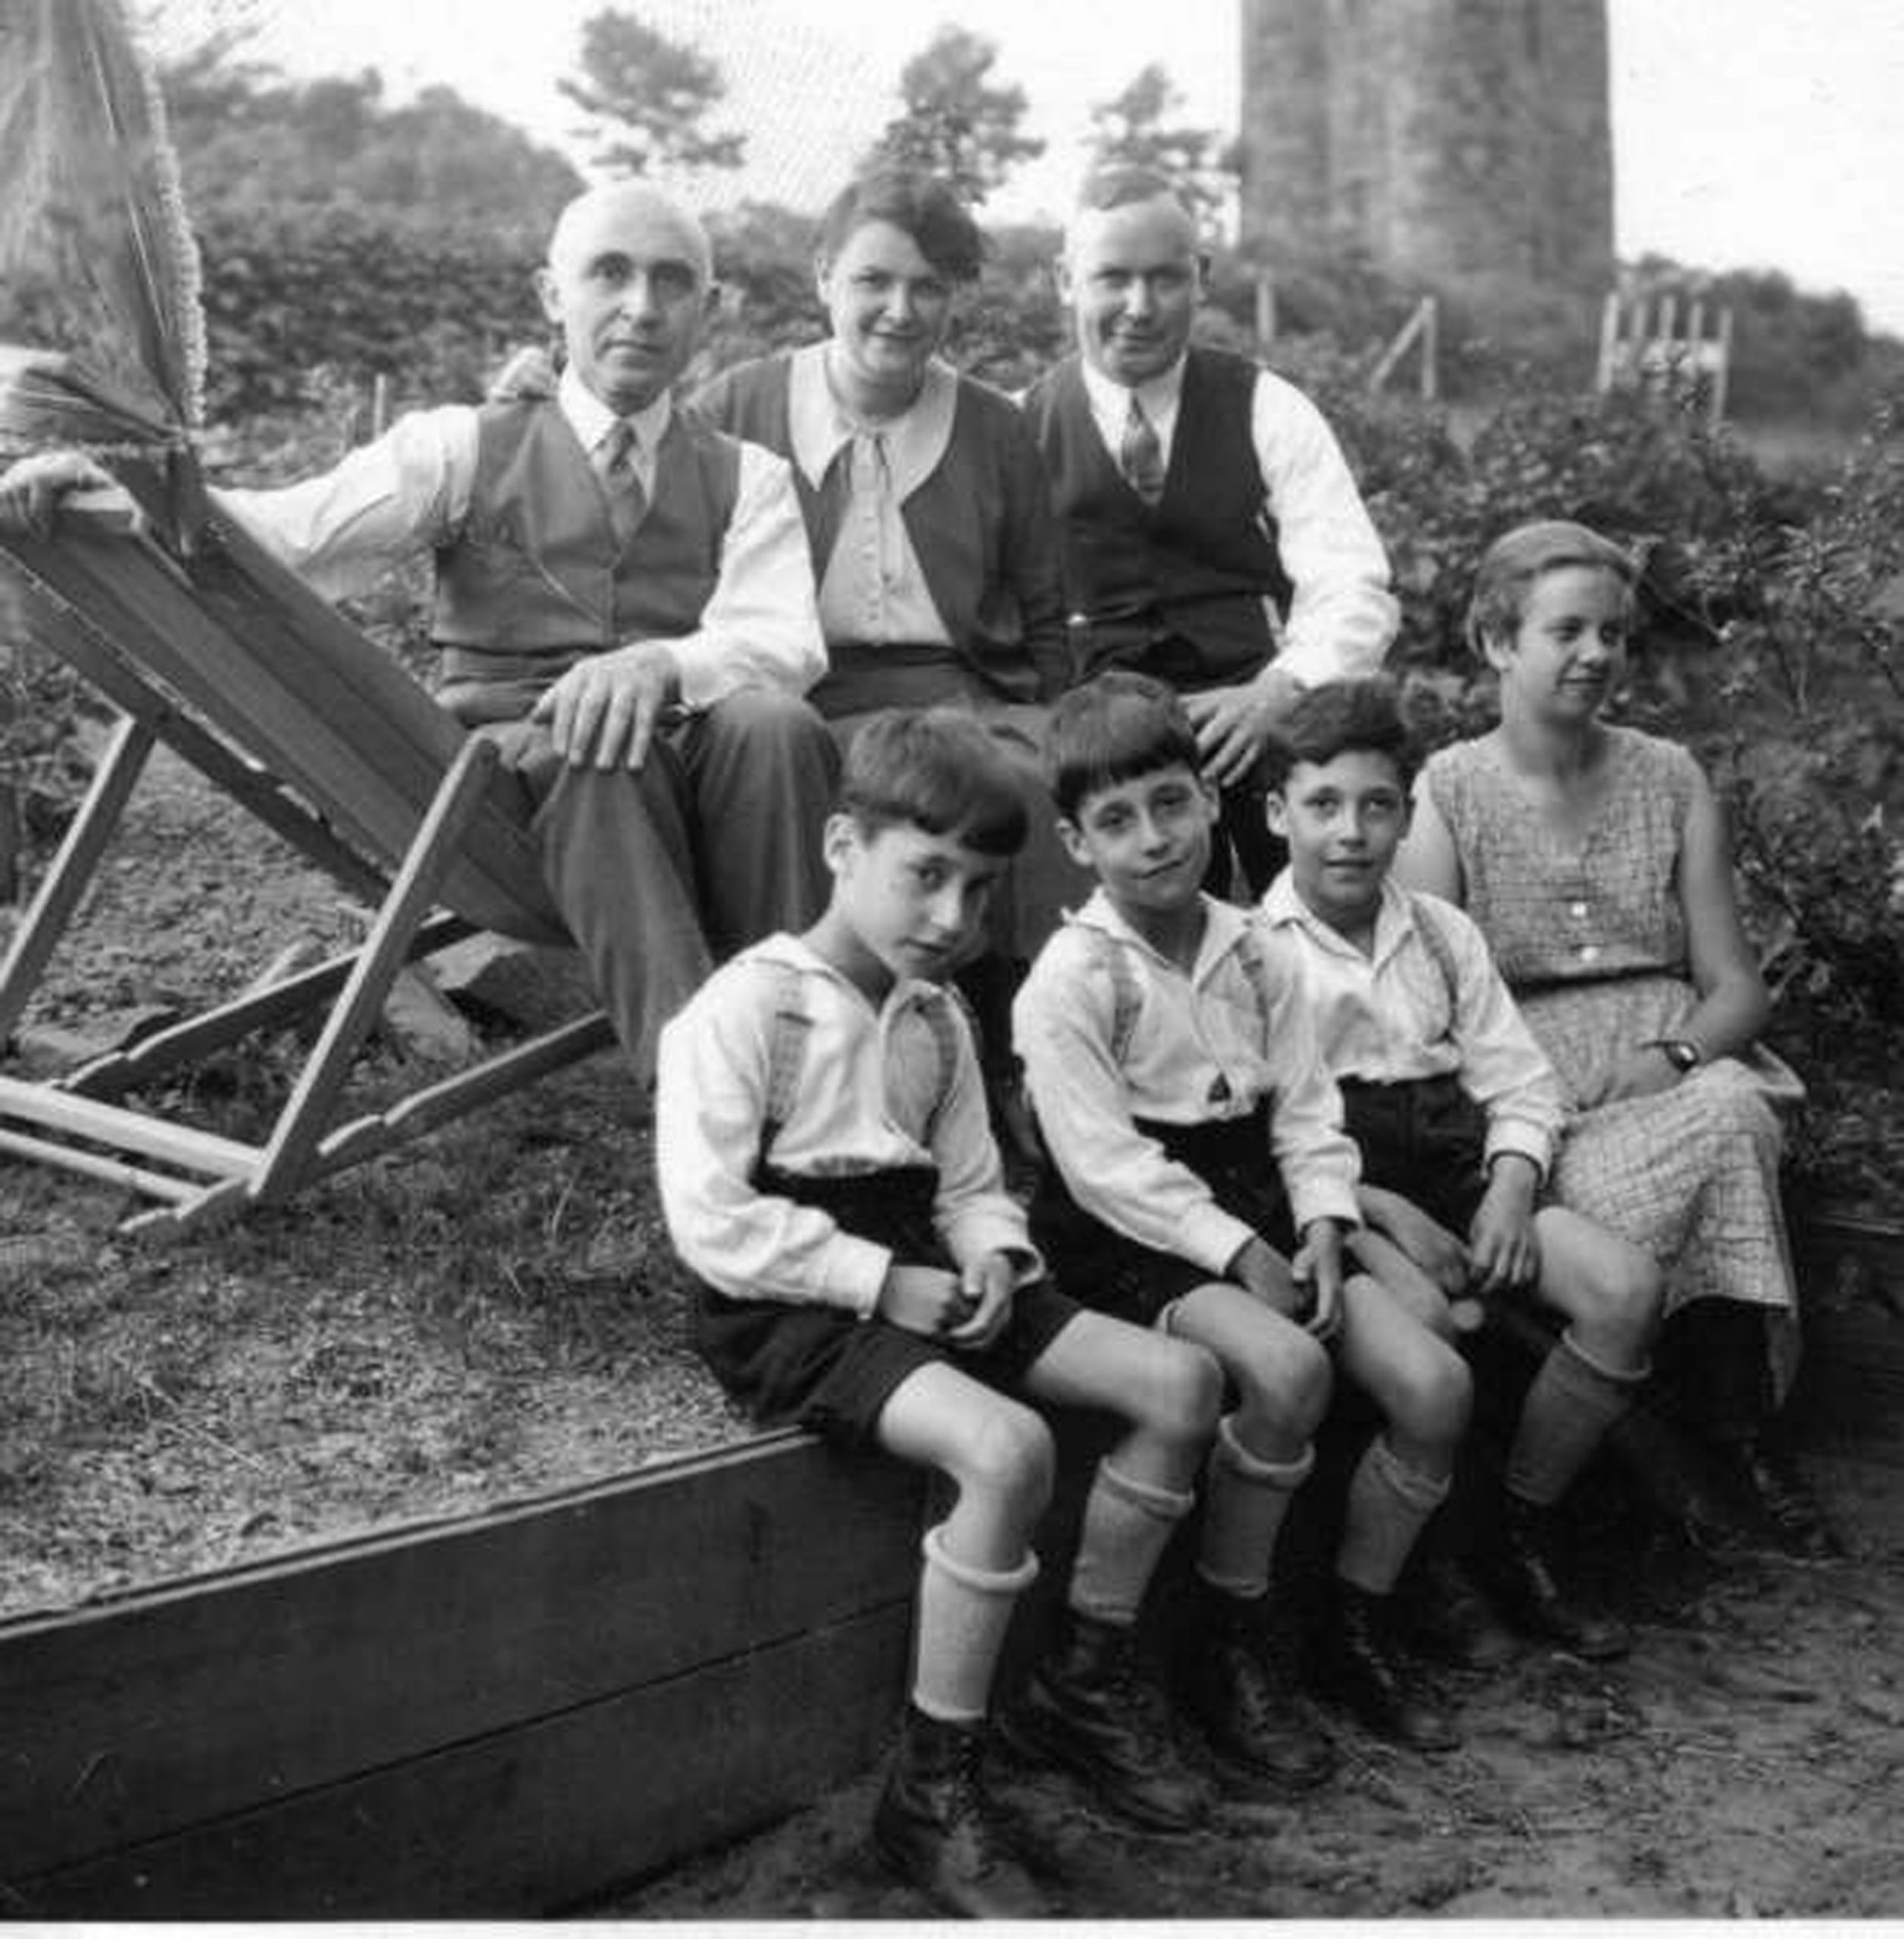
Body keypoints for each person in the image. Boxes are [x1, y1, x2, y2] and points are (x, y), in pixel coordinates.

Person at [0, 183, 837, 1074]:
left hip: (685, 767)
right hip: (515, 781)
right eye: (609, 273)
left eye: (672, 281)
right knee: (599, 752)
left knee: (774, 724)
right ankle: (711, 1090)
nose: (641, 305)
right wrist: (120, 480)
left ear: (709, 308)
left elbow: (783, 640)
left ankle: (804, 1053)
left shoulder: (748, 474)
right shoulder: (463, 445)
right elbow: (293, 534)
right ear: (552, 296)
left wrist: (657, 664)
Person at [654, 708, 1224, 1917]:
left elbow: (969, 1185)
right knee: (1008, 1449)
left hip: (922, 1267)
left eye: (977, 890)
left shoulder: (938, 1016)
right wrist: (877, 1282)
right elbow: (710, 1222)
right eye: (925, 876)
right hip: (793, 1302)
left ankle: (1082, 1687)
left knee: (1180, 1385)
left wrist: (995, 1257)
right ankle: (930, 1792)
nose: (952, 917)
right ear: (840, 847)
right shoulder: (746, 1009)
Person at [1013, 670, 1472, 1759]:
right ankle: (1229, 1642)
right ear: (1075, 843)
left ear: (1211, 799)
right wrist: (1239, 1253)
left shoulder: (1258, 949)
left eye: (1171, 803)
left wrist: (1320, 1225)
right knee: (1289, 1369)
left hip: (1263, 1210)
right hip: (1135, 1238)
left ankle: (1351, 1625)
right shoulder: (1073, 978)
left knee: (1436, 1384)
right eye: (1116, 820)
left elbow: (1307, 1111)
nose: (1154, 839)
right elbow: (1104, 1168)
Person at [1395, 520, 1834, 1557]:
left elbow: (1736, 988)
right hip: (1532, 1089)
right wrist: (1525, 1107)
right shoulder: (1448, 793)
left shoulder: (1668, 776)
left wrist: (1675, 1057)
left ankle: (1722, 1432)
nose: (1597, 654)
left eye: (1613, 634)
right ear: (1496, 642)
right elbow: (1423, 1007)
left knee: (1730, 1109)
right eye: (1567, 631)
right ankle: (1707, 1438)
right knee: (1706, 1144)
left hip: (1678, 1058)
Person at [1257, 676, 1662, 1661]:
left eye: (1375, 806)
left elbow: (1520, 1083)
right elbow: (1257, 1137)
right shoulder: (1252, 955)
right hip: (1333, 1198)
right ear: (1276, 814)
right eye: (1322, 805)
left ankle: (1517, 1534)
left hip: (1456, 1172)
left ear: (1406, 816)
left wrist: (1513, 1188)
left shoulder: (1441, 933)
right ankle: (1422, 1571)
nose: (1349, 832)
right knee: (1433, 1332)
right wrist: (1380, 1214)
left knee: (1623, 1290)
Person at [691, 164, 1092, 1087]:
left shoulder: (994, 428)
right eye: (873, 280)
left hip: (958, 695)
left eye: (929, 287)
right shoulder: (739, 407)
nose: (900, 311)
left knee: (1025, 779)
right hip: (795, 691)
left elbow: (1041, 604)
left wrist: (1056, 717)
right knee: (786, 764)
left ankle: (1021, 1062)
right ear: (823, 276)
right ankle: (800, 1048)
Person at [1022, 164, 1399, 895]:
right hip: (1098, 726)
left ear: (1201, 278)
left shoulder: (1267, 407)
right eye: (1112, 278)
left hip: (1255, 704)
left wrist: (1281, 689)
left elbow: (1352, 581)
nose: (1139, 307)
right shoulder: (1019, 425)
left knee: (1320, 855)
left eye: (1165, 278)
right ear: (1066, 280)